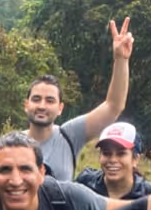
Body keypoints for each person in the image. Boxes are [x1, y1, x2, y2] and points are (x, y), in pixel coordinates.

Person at [24, 18, 133, 181]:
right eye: (36, 99)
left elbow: (113, 106)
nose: (42, 105)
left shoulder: (69, 136)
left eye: (50, 100)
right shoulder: (12, 143)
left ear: (60, 108)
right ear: (26, 105)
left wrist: (121, 59)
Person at [76, 122, 151, 200]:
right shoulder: (85, 183)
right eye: (106, 153)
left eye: (121, 154)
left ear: (135, 159)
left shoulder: (150, 196)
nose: (112, 160)